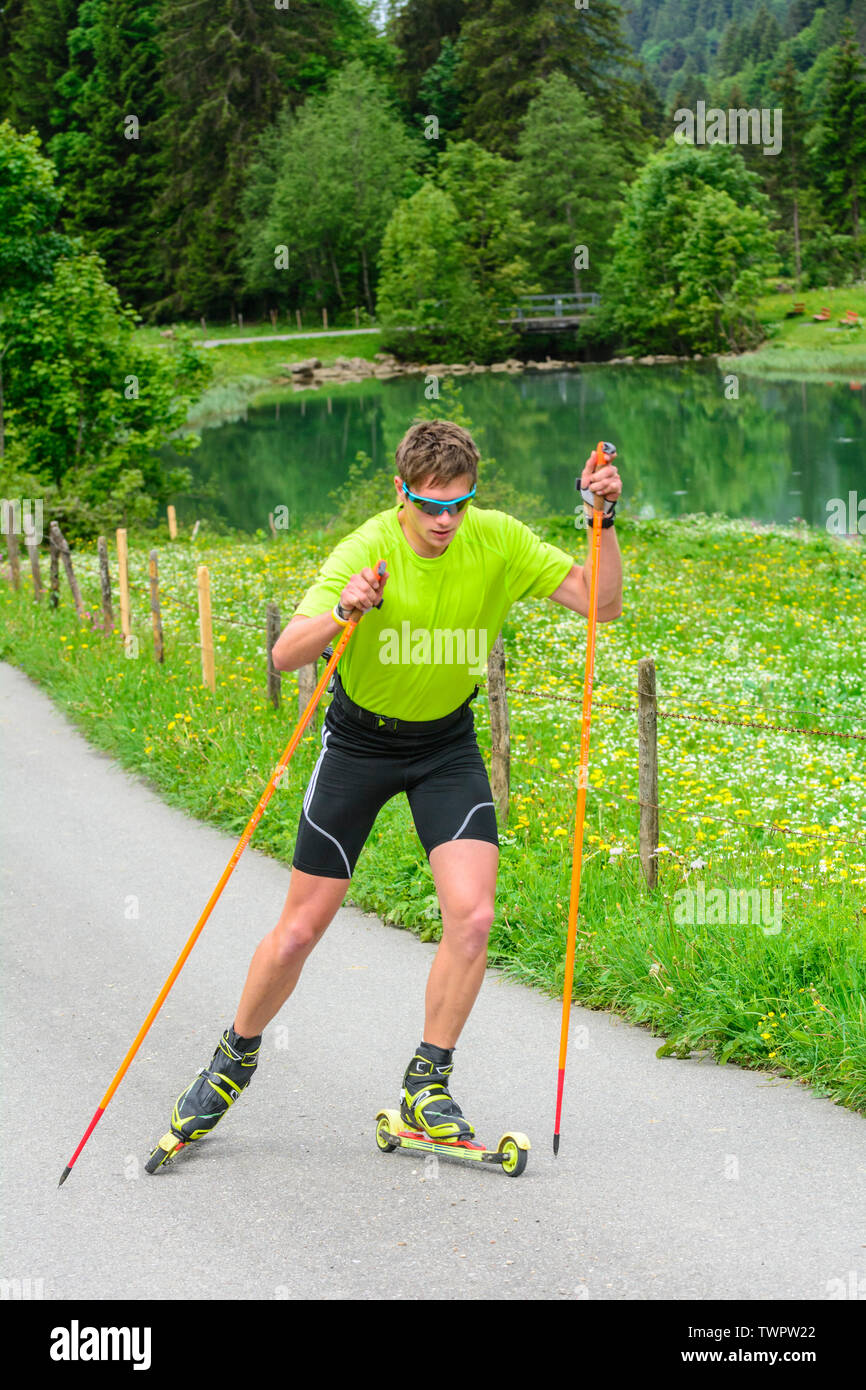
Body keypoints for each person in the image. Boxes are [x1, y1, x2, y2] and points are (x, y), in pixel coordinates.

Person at [149, 419, 623, 1161]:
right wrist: (344, 609)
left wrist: (603, 522)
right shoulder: (365, 548)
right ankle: (234, 1057)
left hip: (445, 746)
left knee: (473, 916)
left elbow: (601, 603)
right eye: (429, 505)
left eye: (458, 504)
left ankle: (426, 1083)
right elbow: (283, 656)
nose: (444, 521)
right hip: (359, 745)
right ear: (400, 493)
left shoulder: (495, 538)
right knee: (301, 929)